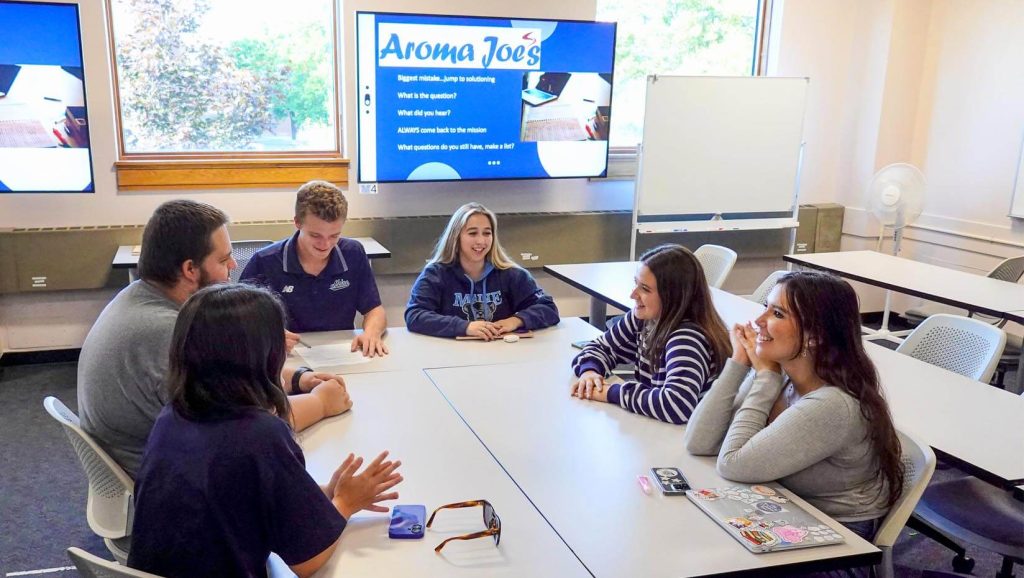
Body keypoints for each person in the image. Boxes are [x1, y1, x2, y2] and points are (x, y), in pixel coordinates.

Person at [128, 284, 402, 578]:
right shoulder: (260, 434)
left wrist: (323, 495)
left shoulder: (173, 415)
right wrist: (346, 502)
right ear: (264, 357)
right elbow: (308, 560)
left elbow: (246, 500)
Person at [77, 200, 346, 477]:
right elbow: (247, 428)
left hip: (149, 461)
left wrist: (298, 378)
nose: (233, 264)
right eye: (222, 259)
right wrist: (321, 403)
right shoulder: (170, 333)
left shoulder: (139, 297)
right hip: (170, 485)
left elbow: (233, 374)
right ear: (190, 270)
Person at [684, 271, 904, 541]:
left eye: (777, 314)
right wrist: (738, 362)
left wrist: (765, 379)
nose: (758, 321)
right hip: (784, 506)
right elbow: (699, 441)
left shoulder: (832, 405)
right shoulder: (782, 371)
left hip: (837, 539)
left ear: (815, 335)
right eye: (766, 307)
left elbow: (732, 465)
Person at [570, 244, 730, 424]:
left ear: (673, 296)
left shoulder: (686, 338)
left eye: (645, 289)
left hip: (681, 440)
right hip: (656, 427)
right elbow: (600, 347)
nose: (633, 295)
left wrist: (611, 392)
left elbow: (677, 406)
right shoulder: (643, 318)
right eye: (635, 284)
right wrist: (590, 372)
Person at [240, 180, 388, 357]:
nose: (325, 244)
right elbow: (240, 321)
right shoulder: (265, 261)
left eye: (334, 235)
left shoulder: (353, 253)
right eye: (315, 235)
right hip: (285, 356)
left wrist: (372, 333)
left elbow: (374, 309)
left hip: (342, 351)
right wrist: (269, 337)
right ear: (297, 223)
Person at [405, 202, 559, 339]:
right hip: (452, 357)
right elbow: (415, 315)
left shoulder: (512, 274)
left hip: (504, 355)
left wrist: (515, 321)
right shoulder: (436, 274)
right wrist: (465, 327)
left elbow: (548, 308)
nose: (481, 241)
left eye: (487, 233)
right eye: (472, 233)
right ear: (456, 238)